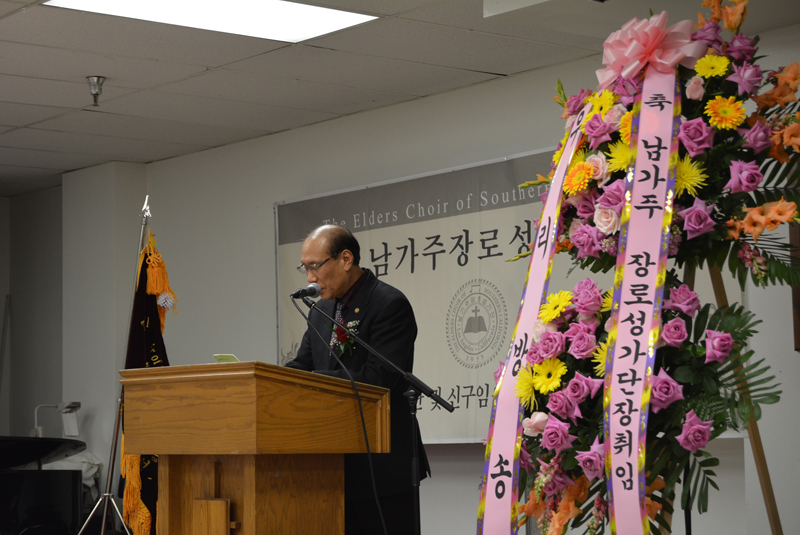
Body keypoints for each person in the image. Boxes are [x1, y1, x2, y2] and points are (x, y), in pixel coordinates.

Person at [285, 224, 428, 535]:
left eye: (315, 266)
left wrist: (316, 380)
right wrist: (276, 378)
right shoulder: (320, 310)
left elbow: (380, 378)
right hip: (333, 465)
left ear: (346, 259)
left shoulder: (389, 304)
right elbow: (302, 364)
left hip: (382, 463)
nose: (309, 278)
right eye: (305, 268)